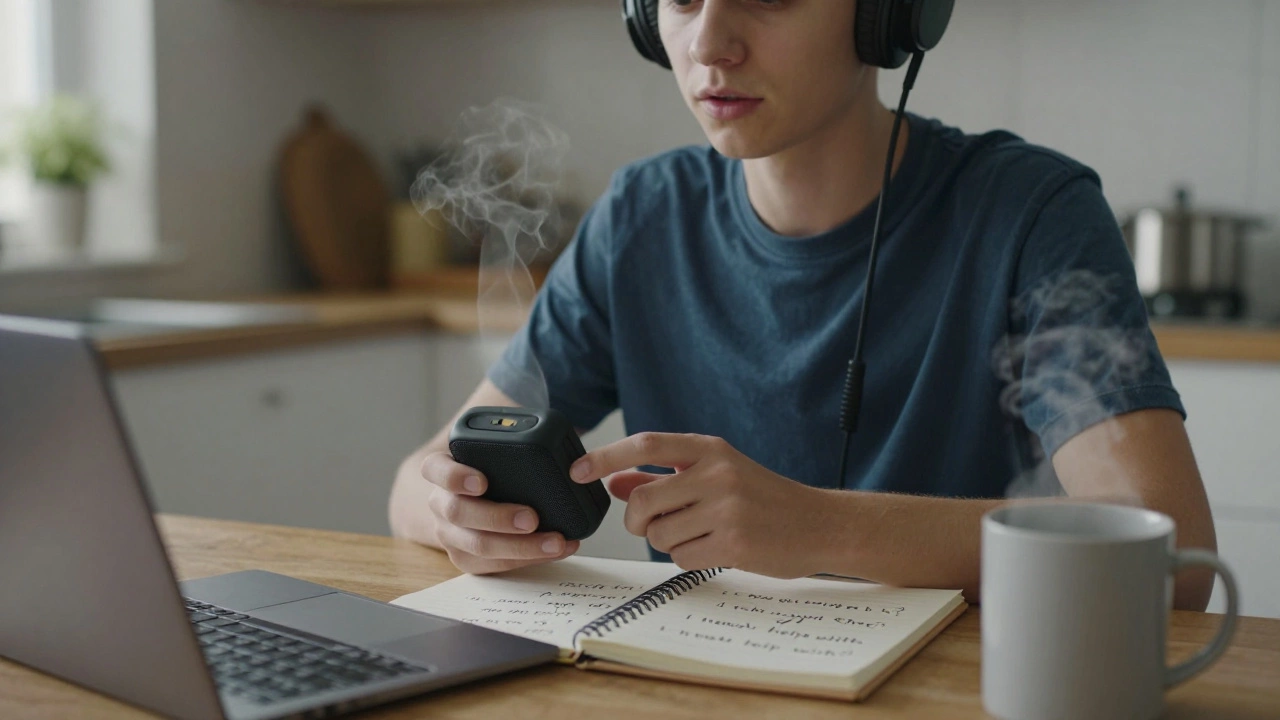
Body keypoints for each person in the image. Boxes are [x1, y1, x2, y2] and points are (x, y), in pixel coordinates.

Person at [389, 0, 1216, 610]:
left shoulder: (1030, 212)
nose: (710, 43)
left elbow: (1169, 550)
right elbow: (412, 486)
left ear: (887, 17)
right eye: (679, 0)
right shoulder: (641, 217)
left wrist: (823, 527)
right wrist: (452, 511)